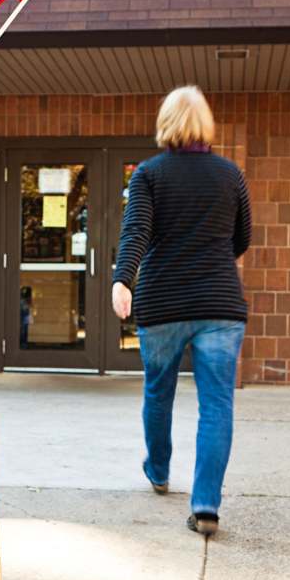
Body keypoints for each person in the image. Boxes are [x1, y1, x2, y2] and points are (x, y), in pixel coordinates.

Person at [112, 86, 251, 537]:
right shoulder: (230, 175)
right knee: (217, 405)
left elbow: (136, 231)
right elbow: (241, 240)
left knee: (159, 392)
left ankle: (158, 470)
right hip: (219, 303)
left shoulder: (149, 175)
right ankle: (206, 504)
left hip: (163, 300)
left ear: (165, 122)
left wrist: (122, 279)